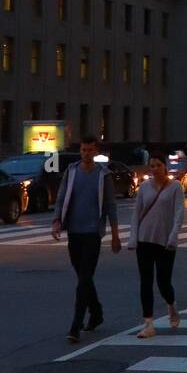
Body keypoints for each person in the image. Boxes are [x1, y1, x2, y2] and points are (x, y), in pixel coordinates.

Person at [52, 135, 121, 343]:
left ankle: (76, 325)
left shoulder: (103, 175)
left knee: (83, 279)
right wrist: (57, 220)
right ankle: (97, 311)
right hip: (74, 232)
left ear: (96, 152)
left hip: (93, 233)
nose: (86, 154)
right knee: (83, 277)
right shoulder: (72, 172)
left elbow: (111, 206)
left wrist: (116, 235)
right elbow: (61, 197)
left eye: (90, 150)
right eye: (83, 150)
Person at [127, 153, 185, 338]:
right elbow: (136, 213)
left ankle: (172, 306)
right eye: (151, 166)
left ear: (165, 167)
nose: (154, 169)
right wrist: (133, 237)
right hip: (145, 239)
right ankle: (149, 323)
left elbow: (179, 213)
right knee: (146, 282)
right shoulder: (144, 187)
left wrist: (173, 236)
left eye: (158, 165)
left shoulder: (175, 187)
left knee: (163, 281)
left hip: (165, 241)